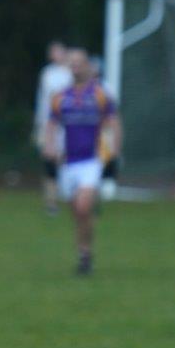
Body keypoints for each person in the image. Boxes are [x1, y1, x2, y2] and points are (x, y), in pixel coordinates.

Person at [41, 47, 120, 275]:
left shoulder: (100, 94)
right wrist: (49, 151)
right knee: (78, 212)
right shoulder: (60, 97)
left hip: (91, 160)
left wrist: (114, 153)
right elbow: (51, 125)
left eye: (79, 63)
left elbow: (114, 123)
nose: (75, 67)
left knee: (83, 207)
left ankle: (85, 255)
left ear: (88, 66)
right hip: (68, 163)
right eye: (71, 64)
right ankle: (84, 253)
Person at [34, 40, 72, 215]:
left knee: (68, 161)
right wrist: (39, 125)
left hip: (69, 124)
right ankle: (51, 202)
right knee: (50, 162)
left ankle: (73, 198)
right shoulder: (48, 73)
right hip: (49, 124)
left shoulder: (73, 73)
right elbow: (43, 101)